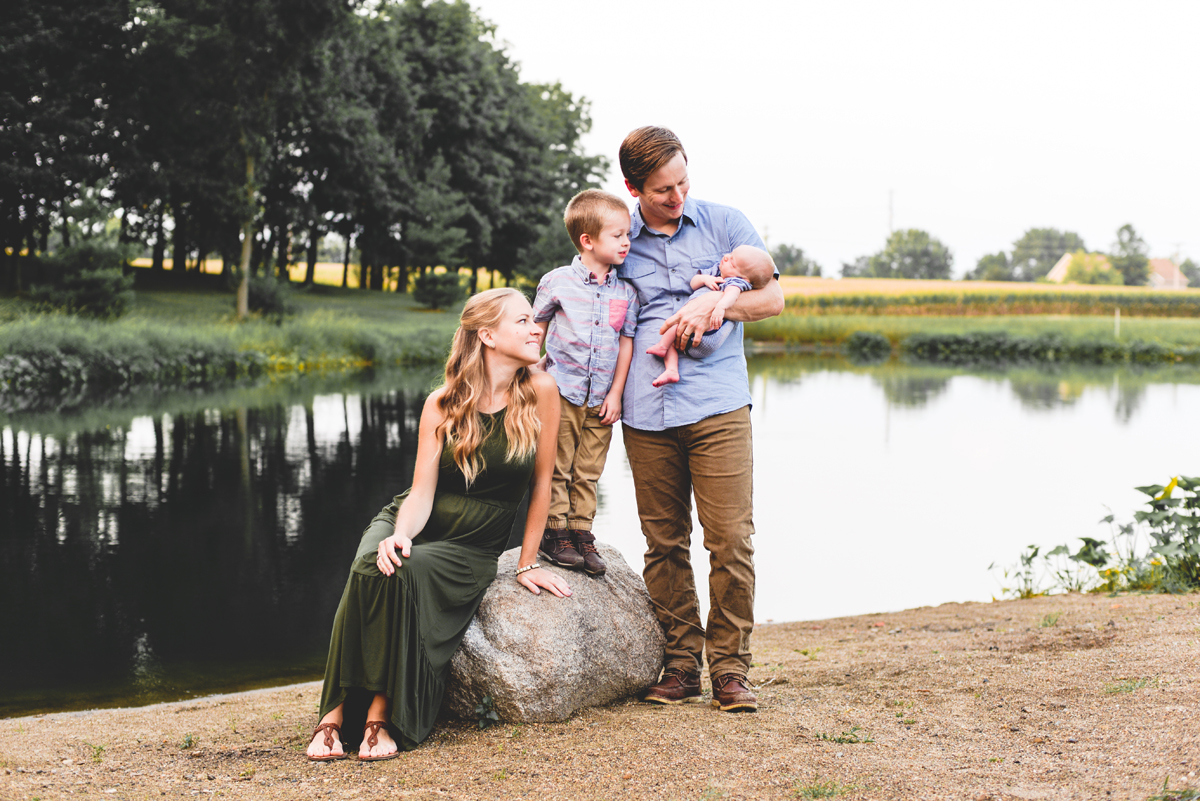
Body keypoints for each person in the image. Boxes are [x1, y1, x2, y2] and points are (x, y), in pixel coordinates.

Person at [305, 288, 572, 761]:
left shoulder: (542, 392)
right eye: (524, 321)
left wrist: (527, 562)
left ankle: (380, 716)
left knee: (403, 574)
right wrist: (400, 535)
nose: (537, 329)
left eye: (536, 322)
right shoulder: (444, 402)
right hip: (414, 518)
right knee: (374, 565)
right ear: (487, 335)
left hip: (471, 543)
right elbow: (422, 492)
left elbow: (543, 484)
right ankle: (334, 714)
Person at [616, 126, 784, 713]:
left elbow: (772, 299)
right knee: (663, 543)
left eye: (683, 181)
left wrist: (715, 306)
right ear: (633, 187)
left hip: (717, 404)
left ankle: (731, 671)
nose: (677, 196)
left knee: (731, 538)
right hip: (643, 408)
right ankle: (681, 665)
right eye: (663, 189)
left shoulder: (725, 223)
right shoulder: (617, 234)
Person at [531, 189, 639, 577]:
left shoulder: (626, 292)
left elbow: (626, 343)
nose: (627, 242)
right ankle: (554, 533)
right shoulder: (557, 282)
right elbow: (535, 329)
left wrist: (616, 394)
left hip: (600, 399)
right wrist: (531, 375)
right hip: (560, 391)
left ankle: (581, 532)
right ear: (588, 241)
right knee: (557, 465)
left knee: (589, 467)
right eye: (618, 235)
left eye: (628, 234)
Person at [646, 244, 775, 387]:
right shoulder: (715, 272)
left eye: (732, 262)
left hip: (707, 335)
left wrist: (720, 306)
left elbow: (732, 295)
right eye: (730, 254)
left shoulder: (735, 282)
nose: (726, 257)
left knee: (677, 321)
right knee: (679, 328)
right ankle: (671, 370)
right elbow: (694, 283)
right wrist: (705, 279)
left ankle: (662, 346)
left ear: (743, 277)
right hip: (695, 336)